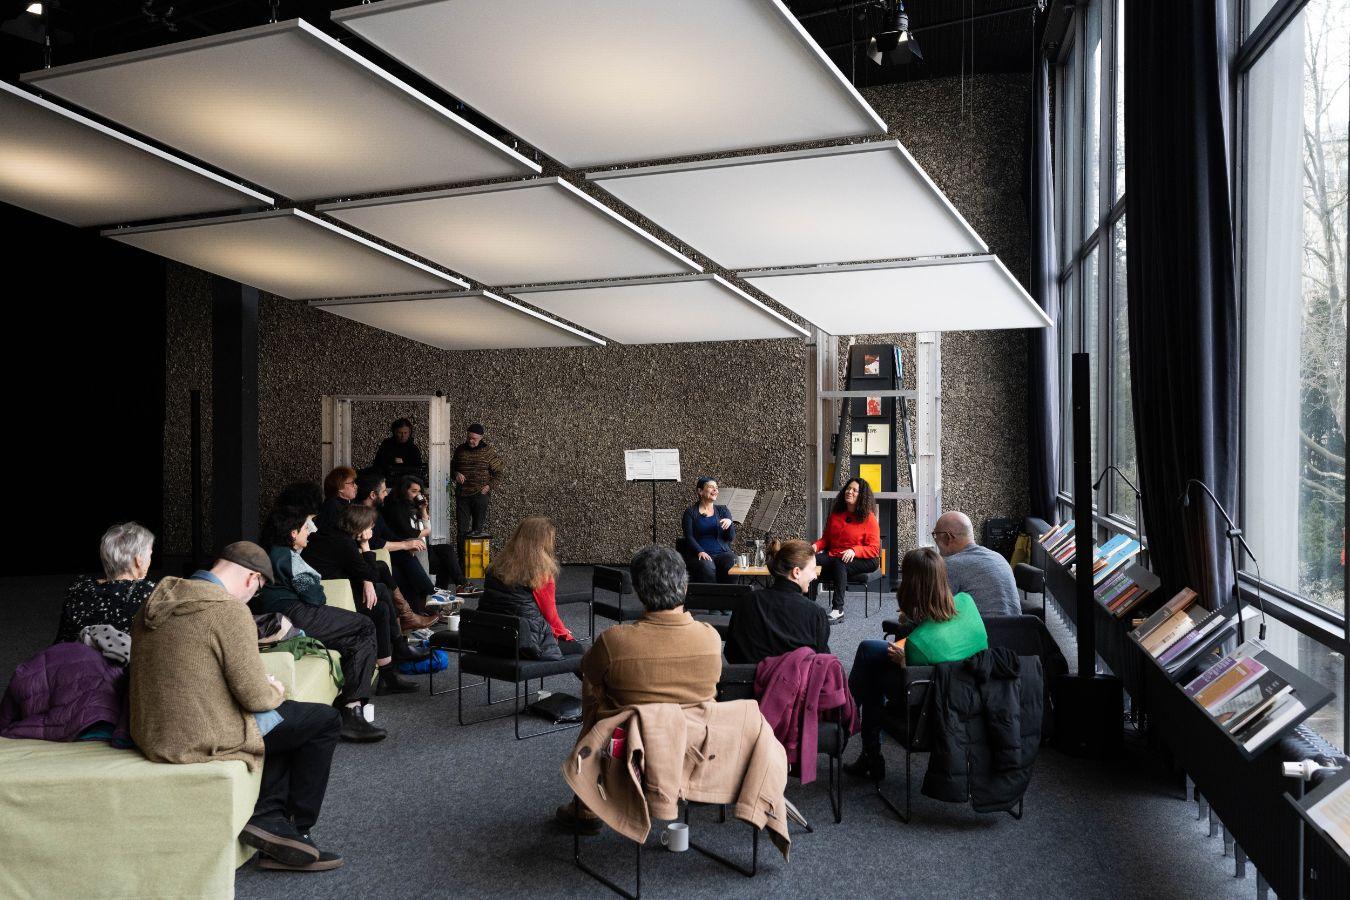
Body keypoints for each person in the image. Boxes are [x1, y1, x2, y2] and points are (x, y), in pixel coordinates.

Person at [129, 542, 344, 872]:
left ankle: (269, 816)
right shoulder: (228, 611)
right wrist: (273, 689)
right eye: (258, 590)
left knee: (285, 721)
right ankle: (295, 830)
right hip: (199, 736)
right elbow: (255, 697)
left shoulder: (155, 601)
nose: (253, 598)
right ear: (252, 579)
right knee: (320, 720)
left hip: (152, 730)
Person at [555, 544, 723, 834]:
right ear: (684, 586)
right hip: (695, 747)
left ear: (639, 590)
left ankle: (587, 805)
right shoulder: (709, 638)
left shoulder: (615, 641)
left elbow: (588, 671)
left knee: (596, 693)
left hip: (629, 748)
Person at [843, 547, 989, 781]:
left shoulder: (920, 644)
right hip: (972, 691)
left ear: (910, 583)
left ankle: (855, 733)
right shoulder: (967, 602)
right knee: (869, 649)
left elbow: (912, 685)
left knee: (871, 677)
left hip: (930, 703)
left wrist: (905, 662)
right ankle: (851, 723)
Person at [253, 507, 386, 742]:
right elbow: (316, 597)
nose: (310, 532)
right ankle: (352, 711)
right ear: (293, 533)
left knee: (353, 638)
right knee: (364, 626)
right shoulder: (286, 556)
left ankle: (351, 709)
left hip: (288, 613)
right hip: (294, 612)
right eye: (305, 528)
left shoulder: (278, 554)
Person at [301, 505, 424, 695]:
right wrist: (366, 547)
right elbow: (370, 574)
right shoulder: (344, 544)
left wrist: (368, 580)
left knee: (381, 593)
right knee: (380, 603)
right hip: (333, 597)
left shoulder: (335, 535)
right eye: (371, 527)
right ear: (361, 527)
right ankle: (393, 660)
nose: (372, 531)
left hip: (336, 586)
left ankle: (394, 657)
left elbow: (366, 573)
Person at [476, 516, 581, 659]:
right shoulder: (540, 572)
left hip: (491, 640)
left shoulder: (495, 567)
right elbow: (550, 615)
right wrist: (565, 635)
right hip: (526, 646)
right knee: (578, 649)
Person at [723, 539, 829, 665]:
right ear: (796, 572)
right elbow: (821, 663)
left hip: (745, 683)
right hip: (795, 684)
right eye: (812, 569)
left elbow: (731, 653)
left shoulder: (747, 601)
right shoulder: (815, 613)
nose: (815, 576)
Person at [54, 522, 156, 644]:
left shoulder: (79, 586)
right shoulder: (149, 592)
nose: (150, 560)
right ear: (138, 560)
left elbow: (63, 639)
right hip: (124, 661)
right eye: (150, 555)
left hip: (70, 659)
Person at [353, 467, 436, 614]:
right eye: (384, 491)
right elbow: (374, 542)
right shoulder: (359, 514)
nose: (386, 494)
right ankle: (429, 596)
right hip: (365, 559)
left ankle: (417, 612)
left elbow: (389, 534)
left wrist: (406, 545)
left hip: (380, 556)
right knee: (403, 568)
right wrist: (405, 544)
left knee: (405, 565)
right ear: (373, 495)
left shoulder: (376, 513)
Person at [384, 473, 467, 592]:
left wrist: (423, 510)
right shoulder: (397, 508)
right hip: (409, 548)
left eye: (419, 492)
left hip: (422, 545)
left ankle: (460, 585)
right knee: (443, 560)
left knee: (446, 551)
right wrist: (426, 532)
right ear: (403, 490)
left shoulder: (413, 506)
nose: (417, 495)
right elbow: (408, 532)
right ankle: (437, 595)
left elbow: (427, 528)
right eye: (413, 491)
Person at [813, 478, 881, 622]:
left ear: (862, 495)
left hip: (866, 559)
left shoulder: (869, 518)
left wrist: (854, 551)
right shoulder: (836, 515)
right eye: (848, 489)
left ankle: (838, 610)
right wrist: (815, 547)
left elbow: (874, 549)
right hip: (836, 555)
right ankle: (808, 606)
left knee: (840, 563)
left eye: (855, 490)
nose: (850, 492)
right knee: (809, 562)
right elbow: (826, 540)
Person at [932, 511, 1020, 618]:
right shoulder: (998, 557)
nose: (935, 541)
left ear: (948, 537)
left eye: (935, 535)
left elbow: (933, 610)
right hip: (1016, 630)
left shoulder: (951, 565)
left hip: (983, 632)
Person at [680, 477, 737, 584]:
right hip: (701, 553)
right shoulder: (690, 512)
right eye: (711, 487)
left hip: (723, 553)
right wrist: (700, 551)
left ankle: (730, 598)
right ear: (700, 491)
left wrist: (730, 524)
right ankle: (712, 598)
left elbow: (730, 538)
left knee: (732, 563)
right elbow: (689, 537)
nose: (715, 490)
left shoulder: (723, 510)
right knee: (707, 567)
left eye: (716, 488)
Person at [451, 423, 504, 538]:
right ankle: (462, 556)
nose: (471, 441)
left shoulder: (487, 452)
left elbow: (499, 472)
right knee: (461, 532)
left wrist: (489, 486)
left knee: (477, 532)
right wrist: (456, 473)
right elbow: (451, 469)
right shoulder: (460, 450)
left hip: (480, 495)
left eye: (474, 439)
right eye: (469, 437)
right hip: (463, 496)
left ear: (481, 437)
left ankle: (475, 556)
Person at [316, 467, 358, 534]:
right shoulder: (332, 506)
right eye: (352, 483)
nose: (355, 486)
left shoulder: (348, 503)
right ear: (340, 488)